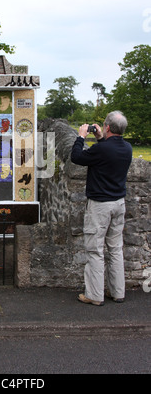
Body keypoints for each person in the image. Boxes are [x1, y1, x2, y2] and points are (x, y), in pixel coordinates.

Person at [71, 111, 132, 306]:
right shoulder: (127, 148)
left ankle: (95, 295)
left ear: (107, 127)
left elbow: (76, 157)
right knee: (115, 249)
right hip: (118, 203)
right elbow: (107, 152)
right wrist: (99, 138)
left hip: (100, 205)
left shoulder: (102, 150)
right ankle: (118, 292)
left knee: (95, 249)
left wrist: (81, 136)